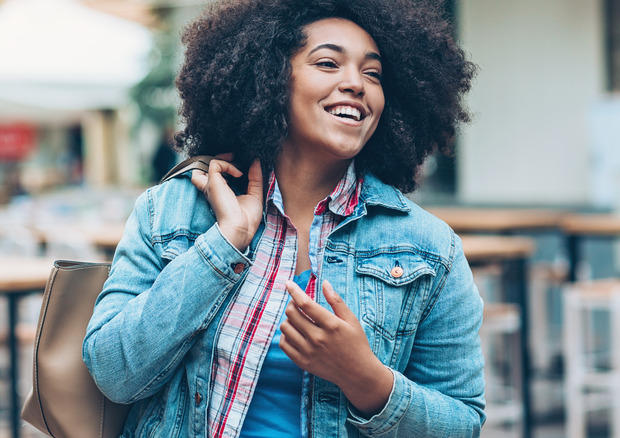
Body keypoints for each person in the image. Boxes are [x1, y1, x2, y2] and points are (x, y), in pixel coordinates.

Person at [83, 0, 483, 436]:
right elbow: (113, 373)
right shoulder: (172, 210)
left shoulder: (430, 248)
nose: (356, 83)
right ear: (269, 77)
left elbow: (463, 423)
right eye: (328, 63)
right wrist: (222, 246)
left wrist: (365, 379)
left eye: (373, 73)